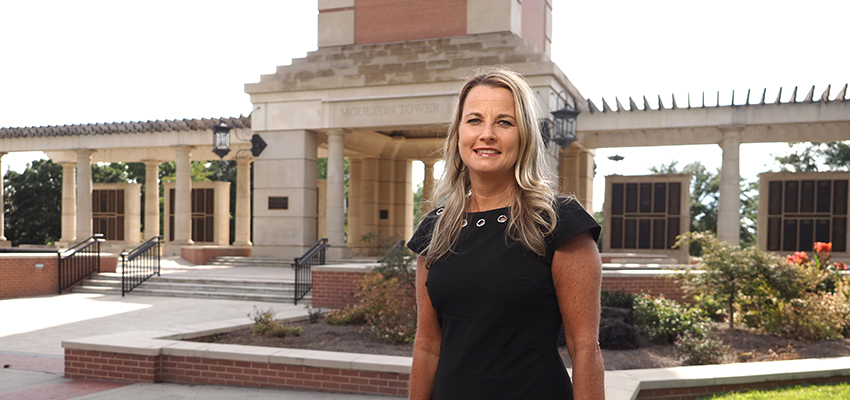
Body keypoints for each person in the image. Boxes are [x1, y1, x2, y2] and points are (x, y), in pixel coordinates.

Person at [407, 67, 605, 399]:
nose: (487, 134)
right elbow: (427, 346)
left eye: (504, 122)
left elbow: (584, 349)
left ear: (524, 135)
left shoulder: (560, 223)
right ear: (458, 135)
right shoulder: (435, 229)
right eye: (474, 121)